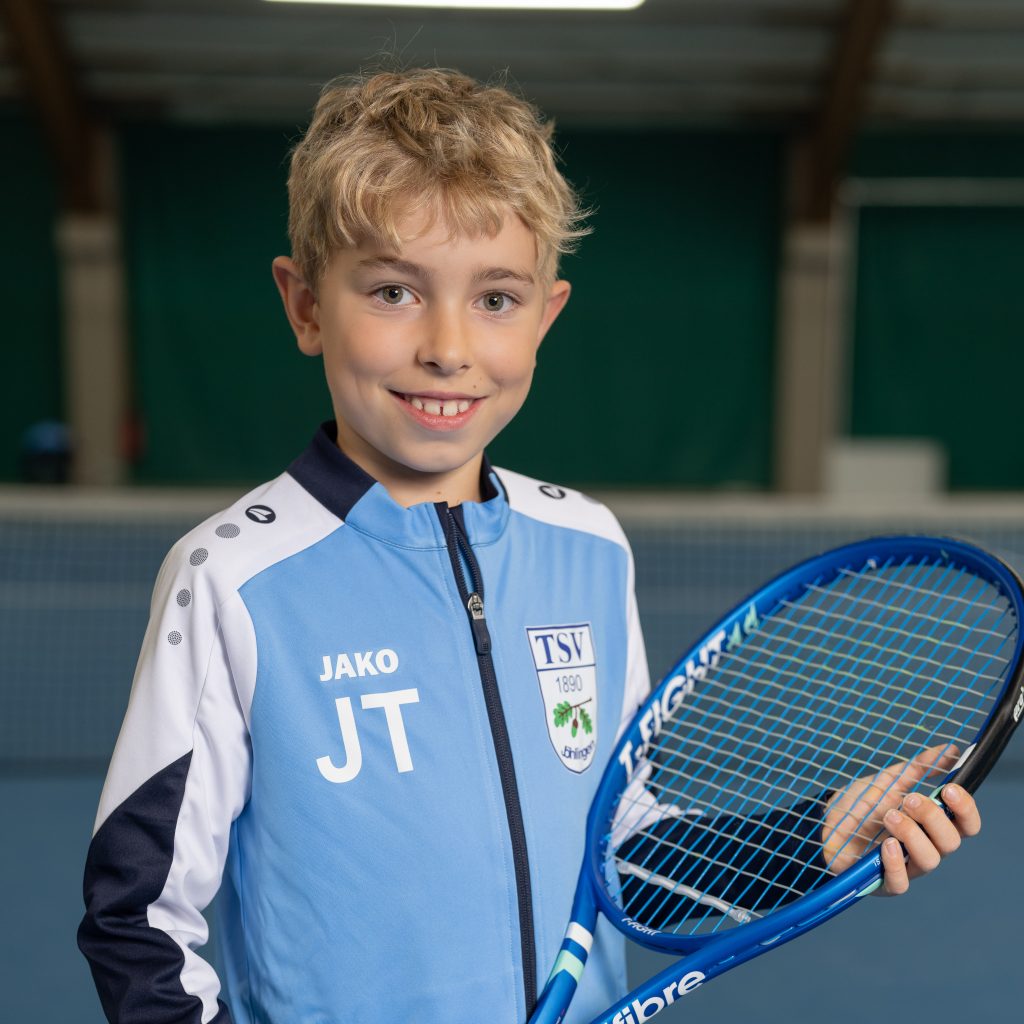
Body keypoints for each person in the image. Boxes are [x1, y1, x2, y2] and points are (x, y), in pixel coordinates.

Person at [77, 67, 981, 1024]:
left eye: (497, 300)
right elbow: (138, 921)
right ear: (305, 306)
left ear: (547, 317)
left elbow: (622, 857)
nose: (448, 347)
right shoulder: (232, 577)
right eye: (393, 290)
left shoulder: (590, 547)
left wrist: (812, 838)